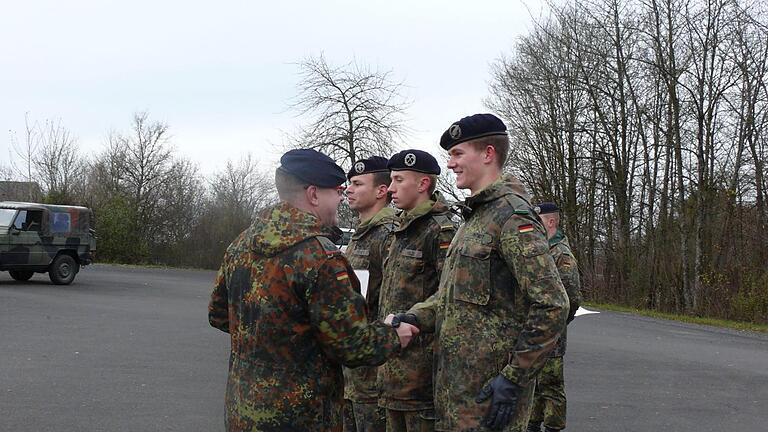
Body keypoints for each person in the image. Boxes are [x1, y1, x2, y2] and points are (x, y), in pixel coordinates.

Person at [208, 149, 420, 432]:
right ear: (313, 195)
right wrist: (394, 335)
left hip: (242, 410)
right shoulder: (320, 257)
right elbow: (353, 345)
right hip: (302, 416)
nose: (341, 199)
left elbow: (219, 315)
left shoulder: (242, 244)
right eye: (337, 191)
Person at [397, 114, 569, 432]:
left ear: (488, 154)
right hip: (456, 396)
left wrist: (514, 377)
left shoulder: (512, 216)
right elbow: (452, 296)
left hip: (490, 401)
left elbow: (553, 304)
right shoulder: (475, 218)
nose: (450, 164)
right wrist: (415, 317)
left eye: (458, 153)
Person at [378, 149, 457, 432]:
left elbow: (449, 294)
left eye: (399, 179)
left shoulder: (441, 230)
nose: (390, 188)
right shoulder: (400, 228)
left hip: (422, 376)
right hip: (393, 371)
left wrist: (412, 320)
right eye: (390, 179)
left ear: (423, 184)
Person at [342, 156, 398, 432]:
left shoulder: (390, 234)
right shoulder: (359, 235)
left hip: (374, 371)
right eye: (349, 183)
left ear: (381, 191)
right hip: (352, 367)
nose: (348, 189)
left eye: (357, 183)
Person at [526, 202, 582, 432]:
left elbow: (572, 298)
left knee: (551, 384)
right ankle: (532, 423)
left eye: (537, 221)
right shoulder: (543, 249)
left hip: (552, 333)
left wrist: (554, 324)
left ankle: (552, 427)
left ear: (550, 222)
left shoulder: (561, 254)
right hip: (535, 330)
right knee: (535, 382)